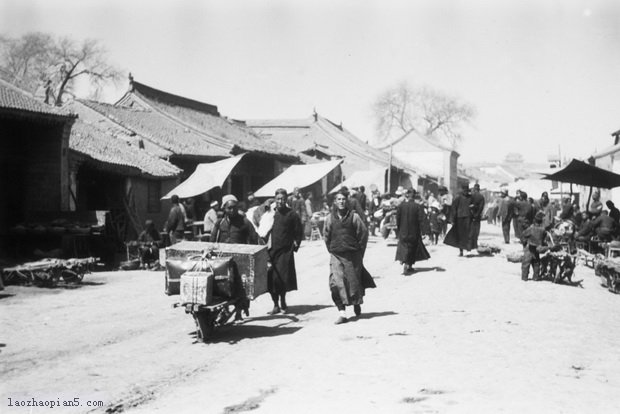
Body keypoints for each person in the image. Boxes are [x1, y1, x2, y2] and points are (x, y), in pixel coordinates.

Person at [324, 189, 374, 324]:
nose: (341, 201)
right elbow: (326, 236)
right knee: (335, 283)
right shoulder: (329, 218)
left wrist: (359, 252)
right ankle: (342, 313)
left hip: (352, 256)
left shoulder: (354, 217)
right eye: (338, 199)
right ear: (334, 202)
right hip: (336, 255)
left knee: (353, 284)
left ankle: (356, 303)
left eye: (343, 199)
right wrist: (332, 250)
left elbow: (363, 234)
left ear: (347, 201)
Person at [263, 189, 303, 315]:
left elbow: (298, 232)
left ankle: (283, 301)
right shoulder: (270, 214)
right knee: (271, 279)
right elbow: (262, 227)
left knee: (282, 279)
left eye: (283, 199)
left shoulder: (292, 214)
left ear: (286, 200)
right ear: (275, 199)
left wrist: (295, 245)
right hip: (271, 251)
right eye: (278, 199)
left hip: (285, 252)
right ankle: (275, 305)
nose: (280, 201)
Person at [395, 188, 431, 274]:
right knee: (412, 247)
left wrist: (399, 229)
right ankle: (408, 264)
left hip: (403, 230)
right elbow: (422, 219)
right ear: (414, 196)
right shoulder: (417, 206)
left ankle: (405, 262)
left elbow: (398, 219)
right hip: (414, 231)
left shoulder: (401, 206)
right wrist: (425, 231)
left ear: (406, 195)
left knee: (403, 246)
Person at [520, 211, 555, 281]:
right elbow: (545, 238)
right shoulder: (543, 230)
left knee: (526, 263)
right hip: (538, 248)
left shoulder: (531, 228)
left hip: (530, 247)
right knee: (536, 263)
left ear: (534, 220)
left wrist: (524, 243)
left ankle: (524, 277)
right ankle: (535, 277)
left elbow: (523, 235)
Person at [444, 185, 473, 256]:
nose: (465, 192)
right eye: (464, 190)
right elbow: (453, 209)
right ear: (462, 190)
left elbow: (476, 206)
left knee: (468, 234)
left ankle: (468, 250)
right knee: (460, 235)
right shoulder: (458, 198)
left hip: (468, 218)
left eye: (467, 190)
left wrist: (473, 207)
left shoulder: (471, 198)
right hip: (459, 218)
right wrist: (452, 219)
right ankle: (461, 251)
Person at [469, 183, 485, 250]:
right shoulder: (481, 197)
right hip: (477, 216)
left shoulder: (471, 196)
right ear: (479, 189)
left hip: (471, 215)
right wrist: (477, 215)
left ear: (474, 189)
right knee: (476, 230)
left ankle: (471, 244)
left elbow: (468, 206)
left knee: (471, 230)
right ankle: (475, 244)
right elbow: (481, 207)